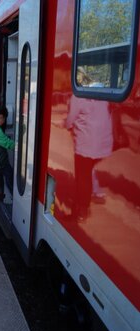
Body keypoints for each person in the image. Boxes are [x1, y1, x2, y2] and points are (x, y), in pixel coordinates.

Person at [66, 67, 113, 222]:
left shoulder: (78, 95)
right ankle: (96, 192)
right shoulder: (102, 92)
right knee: (89, 170)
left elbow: (70, 119)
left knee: (82, 177)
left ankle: (81, 211)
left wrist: (65, 124)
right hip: (104, 142)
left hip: (86, 144)